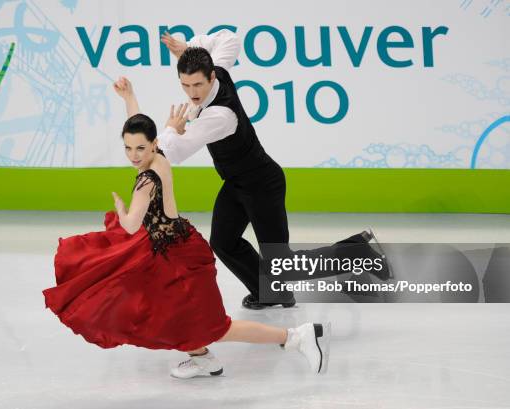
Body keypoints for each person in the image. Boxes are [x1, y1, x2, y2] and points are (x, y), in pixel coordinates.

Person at [41, 77, 331, 379]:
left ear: (154, 143)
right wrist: (129, 97)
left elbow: (130, 226)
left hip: (176, 260)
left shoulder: (146, 181)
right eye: (128, 148)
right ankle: (203, 357)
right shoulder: (158, 157)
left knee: (216, 327)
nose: (134, 155)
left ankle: (296, 337)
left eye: (140, 148)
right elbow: (139, 125)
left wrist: (121, 209)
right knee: (169, 314)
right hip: (170, 248)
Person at [159, 30, 390, 309]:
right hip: (236, 183)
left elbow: (176, 151)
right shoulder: (216, 70)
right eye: (185, 85)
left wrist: (172, 129)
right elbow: (228, 38)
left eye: (197, 84)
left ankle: (355, 252)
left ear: (212, 77)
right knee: (224, 242)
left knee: (284, 264)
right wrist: (188, 48)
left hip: (262, 184)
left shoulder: (219, 115)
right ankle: (269, 292)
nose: (192, 93)